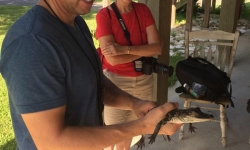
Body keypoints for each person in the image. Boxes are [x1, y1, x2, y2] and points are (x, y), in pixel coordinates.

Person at [0, 0, 182, 149]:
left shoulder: (76, 22)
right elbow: (51, 143)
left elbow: (91, 80)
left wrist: (133, 103)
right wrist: (142, 126)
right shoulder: (31, 43)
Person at [95, 0, 163, 149]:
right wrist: (143, 51)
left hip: (144, 81)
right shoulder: (104, 15)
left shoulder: (143, 10)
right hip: (116, 83)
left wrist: (125, 50)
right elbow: (112, 60)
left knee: (132, 130)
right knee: (112, 134)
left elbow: (157, 48)